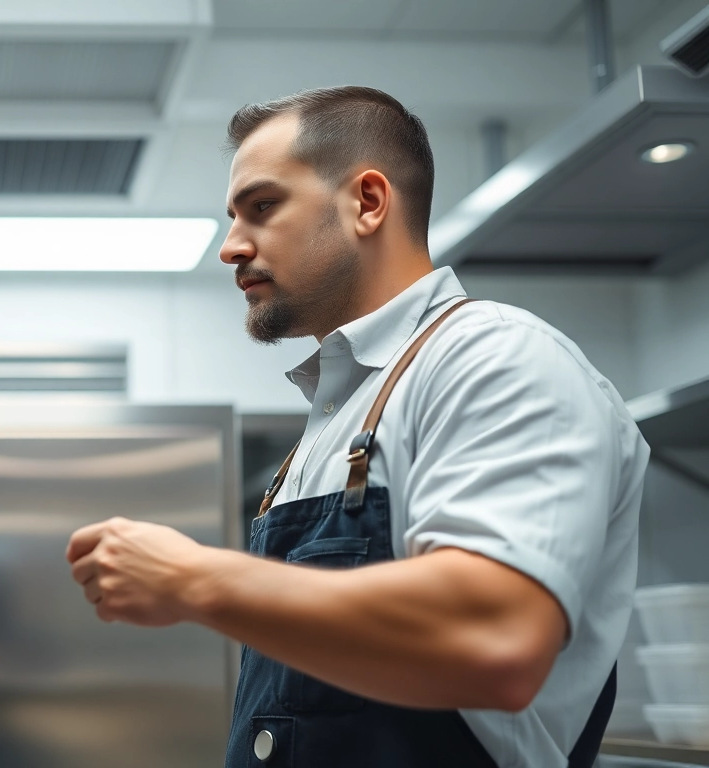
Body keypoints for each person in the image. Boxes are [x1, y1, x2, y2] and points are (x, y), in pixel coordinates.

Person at [66, 86, 648, 768]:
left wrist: (195, 579)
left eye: (262, 207)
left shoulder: (494, 357)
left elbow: (496, 638)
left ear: (367, 203)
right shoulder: (340, 412)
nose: (230, 247)